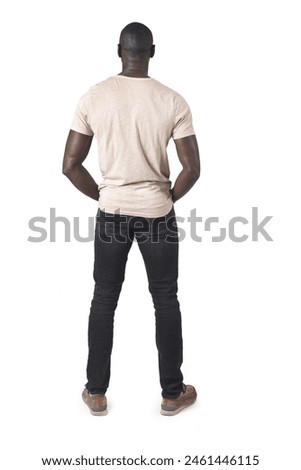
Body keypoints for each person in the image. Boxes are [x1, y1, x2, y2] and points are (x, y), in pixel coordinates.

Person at [62, 22, 200, 416]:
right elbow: (192, 168)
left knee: (104, 300)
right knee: (166, 300)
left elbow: (71, 165)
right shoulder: (172, 100)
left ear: (118, 51)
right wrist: (165, 197)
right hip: (158, 214)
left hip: (112, 214)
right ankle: (173, 394)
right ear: (151, 51)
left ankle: (96, 392)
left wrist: (106, 196)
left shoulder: (95, 97)